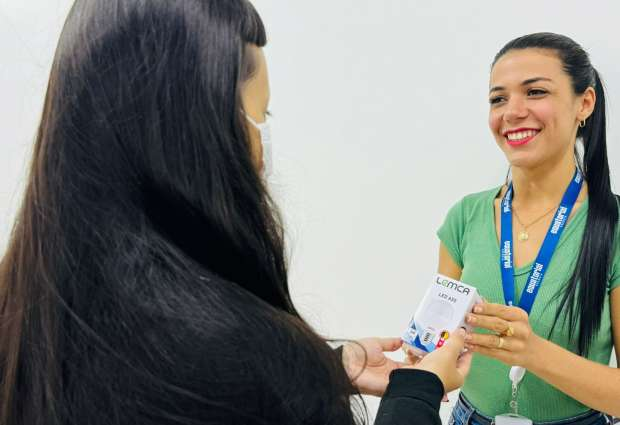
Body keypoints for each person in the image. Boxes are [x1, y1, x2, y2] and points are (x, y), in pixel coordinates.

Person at [0, 1, 471, 424]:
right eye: (259, 116)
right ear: (199, 130)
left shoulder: (24, 316)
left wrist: (325, 365)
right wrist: (416, 392)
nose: (262, 150)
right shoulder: (239, 351)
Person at [437, 33, 620, 424]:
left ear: (584, 103)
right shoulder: (465, 217)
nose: (512, 112)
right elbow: (442, 340)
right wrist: (427, 356)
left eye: (535, 92)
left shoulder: (614, 226)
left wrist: (532, 352)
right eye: (498, 98)